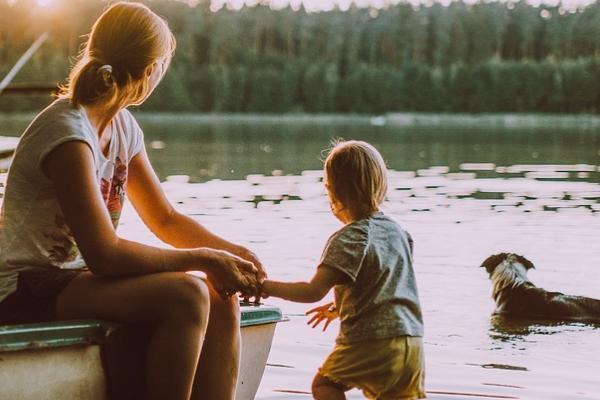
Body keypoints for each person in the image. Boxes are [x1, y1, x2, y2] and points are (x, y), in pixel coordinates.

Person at [0, 3, 264, 400]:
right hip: (24, 287)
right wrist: (203, 258)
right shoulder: (68, 134)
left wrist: (231, 255)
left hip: (76, 280)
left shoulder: (122, 125)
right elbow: (105, 254)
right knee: (188, 295)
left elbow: (165, 218)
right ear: (149, 70)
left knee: (219, 295)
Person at [261, 140, 426, 400]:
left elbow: (312, 291)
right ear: (381, 185)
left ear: (332, 192)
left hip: (371, 342)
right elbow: (386, 284)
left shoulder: (350, 238)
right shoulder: (399, 233)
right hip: (412, 343)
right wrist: (339, 307)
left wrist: (263, 287)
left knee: (325, 385)